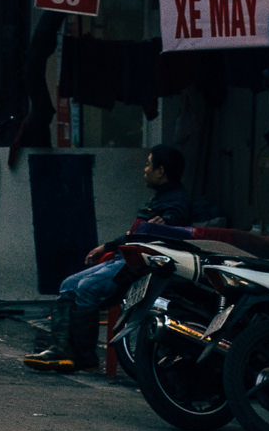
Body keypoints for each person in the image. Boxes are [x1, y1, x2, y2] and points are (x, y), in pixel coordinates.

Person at [23, 146, 201, 374]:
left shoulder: (176, 201)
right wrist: (107, 247)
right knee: (68, 285)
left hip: (138, 265)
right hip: (122, 257)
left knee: (86, 288)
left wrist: (164, 224)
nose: (144, 170)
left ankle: (84, 358)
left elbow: (161, 227)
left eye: (148, 165)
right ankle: (60, 349)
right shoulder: (161, 198)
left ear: (160, 171)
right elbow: (137, 232)